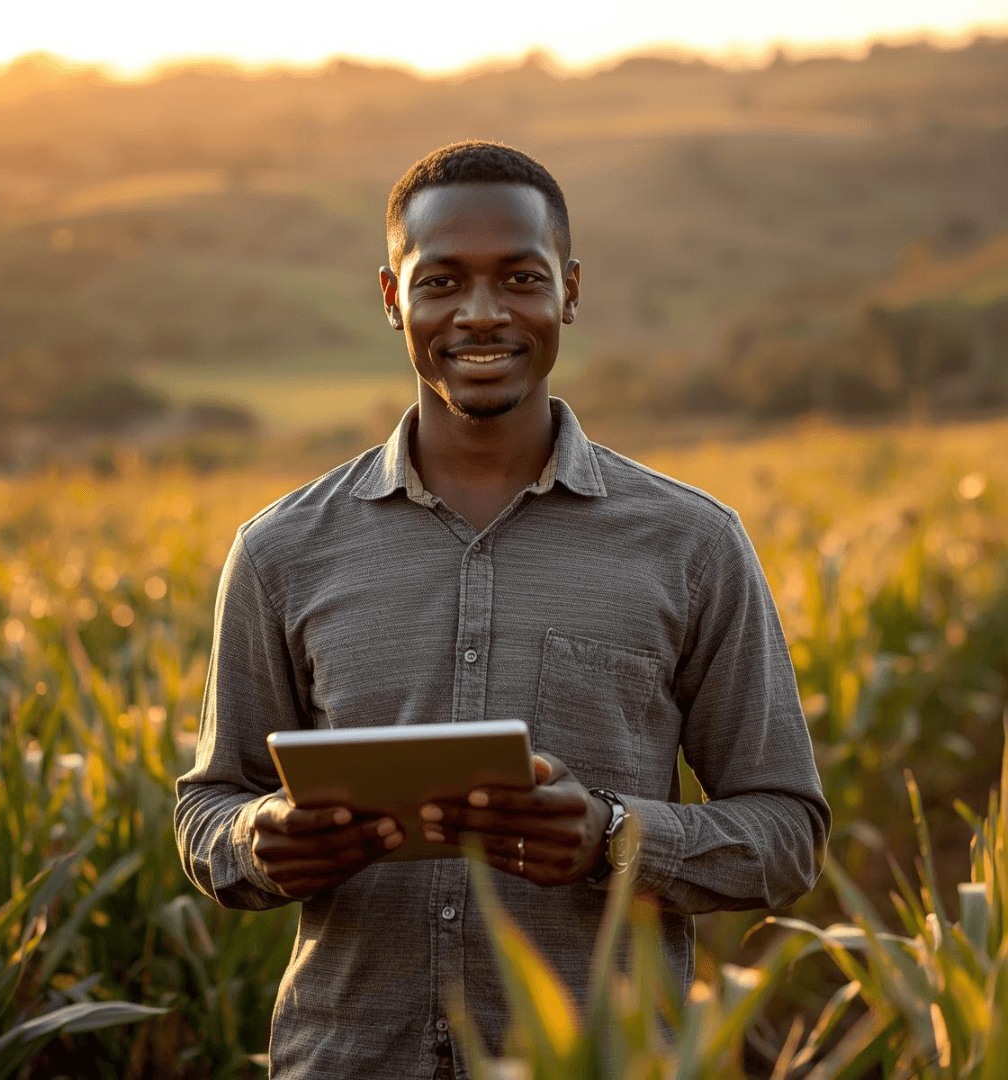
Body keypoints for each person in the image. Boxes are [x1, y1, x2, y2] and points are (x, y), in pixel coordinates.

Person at [175, 140, 830, 1080]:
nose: (481, 313)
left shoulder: (691, 543)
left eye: (519, 278)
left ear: (567, 290)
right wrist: (261, 841)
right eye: (440, 281)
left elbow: (786, 833)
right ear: (393, 298)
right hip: (348, 1058)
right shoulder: (281, 550)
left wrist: (612, 836)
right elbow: (208, 808)